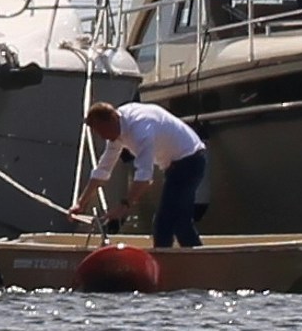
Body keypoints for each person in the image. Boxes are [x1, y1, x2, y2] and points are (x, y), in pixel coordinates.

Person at [87, 98, 210, 249]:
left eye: (102, 131)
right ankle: (197, 260)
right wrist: (81, 203)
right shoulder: (118, 126)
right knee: (179, 221)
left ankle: (166, 264)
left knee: (165, 223)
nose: (103, 137)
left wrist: (124, 206)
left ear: (113, 119)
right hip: (176, 165)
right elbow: (103, 169)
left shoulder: (140, 129)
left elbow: (144, 177)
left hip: (190, 161)